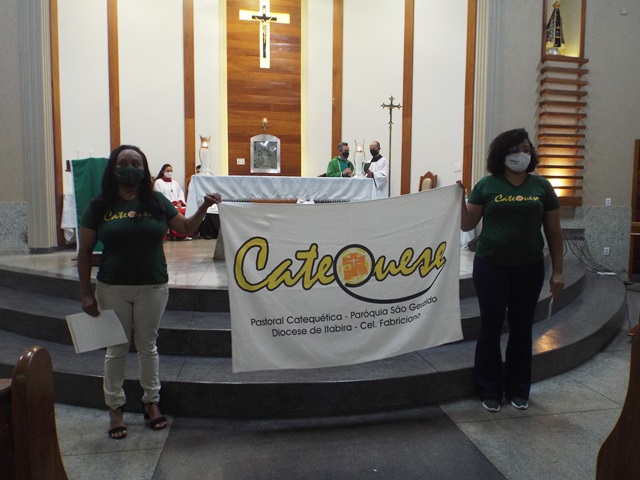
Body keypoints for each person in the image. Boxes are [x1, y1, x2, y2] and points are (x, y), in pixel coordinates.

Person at [77, 145, 222, 439]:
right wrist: (85, 293)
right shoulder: (100, 204)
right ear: (113, 169)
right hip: (112, 286)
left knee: (147, 346)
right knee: (116, 349)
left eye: (136, 164)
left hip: (152, 285)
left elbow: (186, 228)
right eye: (123, 163)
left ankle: (151, 401)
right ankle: (115, 408)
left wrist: (203, 208)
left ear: (144, 170)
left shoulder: (156, 201)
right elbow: (84, 252)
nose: (130, 168)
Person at [458, 128, 564, 413]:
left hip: (529, 268)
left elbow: (554, 233)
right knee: (490, 328)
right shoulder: (487, 185)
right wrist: (459, 199)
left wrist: (558, 271)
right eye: (516, 150)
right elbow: (467, 225)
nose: (522, 155)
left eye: (527, 150)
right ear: (502, 154)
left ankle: (518, 388)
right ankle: (489, 389)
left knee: (521, 329)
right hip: (490, 267)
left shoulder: (541, 187)